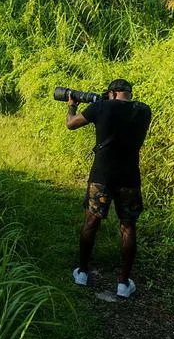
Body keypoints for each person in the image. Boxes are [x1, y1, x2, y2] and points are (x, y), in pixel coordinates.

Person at [65, 78, 152, 298]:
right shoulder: (143, 110)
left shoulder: (100, 106)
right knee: (128, 226)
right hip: (129, 177)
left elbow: (71, 123)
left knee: (91, 221)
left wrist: (72, 105)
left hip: (101, 176)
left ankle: (82, 272)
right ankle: (123, 283)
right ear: (128, 93)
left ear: (112, 93)